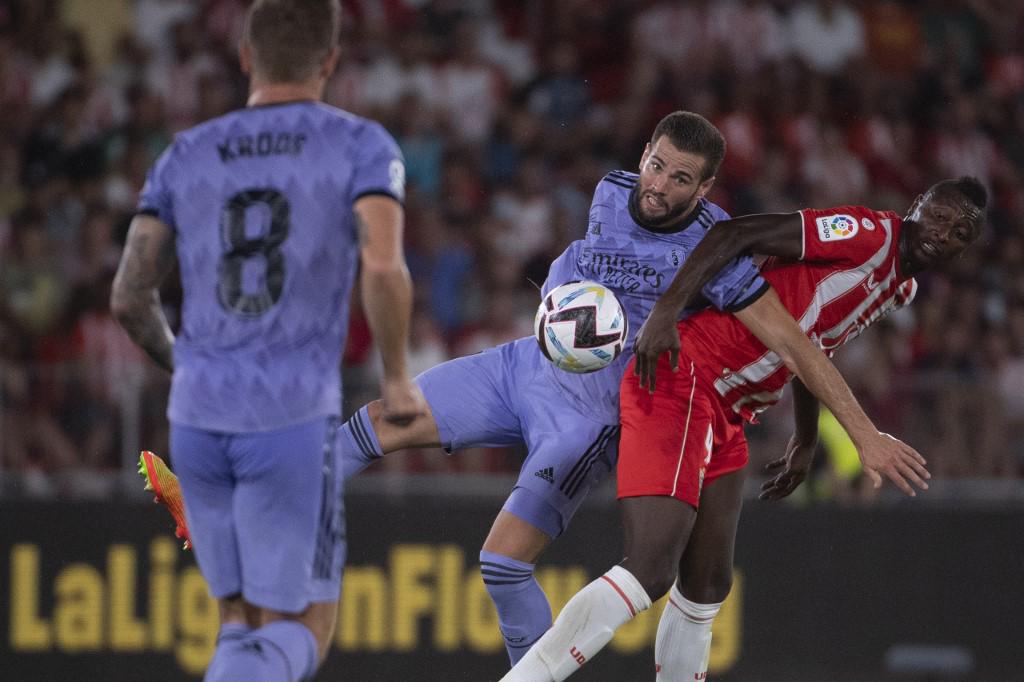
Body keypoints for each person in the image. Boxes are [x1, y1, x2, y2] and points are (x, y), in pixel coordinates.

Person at [143, 111, 919, 669]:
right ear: (644, 151)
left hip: (588, 419)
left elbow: (794, 339)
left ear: (705, 186)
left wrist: (845, 431)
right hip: (525, 367)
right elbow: (581, 263)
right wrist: (555, 297)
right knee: (376, 423)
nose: (660, 186)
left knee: (502, 564)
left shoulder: (716, 251)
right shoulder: (613, 190)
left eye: (681, 180)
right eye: (657, 165)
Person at [501, 177, 986, 681]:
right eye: (939, 214)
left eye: (960, 230)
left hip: (727, 407)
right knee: (650, 569)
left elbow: (812, 341)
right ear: (916, 205)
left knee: (707, 585)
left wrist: (806, 435)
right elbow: (732, 236)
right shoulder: (868, 235)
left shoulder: (899, 285)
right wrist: (666, 312)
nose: (944, 231)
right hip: (687, 374)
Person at [111, 2, 425, 680]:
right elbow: (382, 265)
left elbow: (130, 297)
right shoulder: (358, 144)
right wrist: (396, 376)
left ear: (246, 57)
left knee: (239, 626)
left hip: (195, 417)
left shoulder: (186, 152)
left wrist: (185, 364)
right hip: (288, 416)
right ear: (331, 61)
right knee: (302, 627)